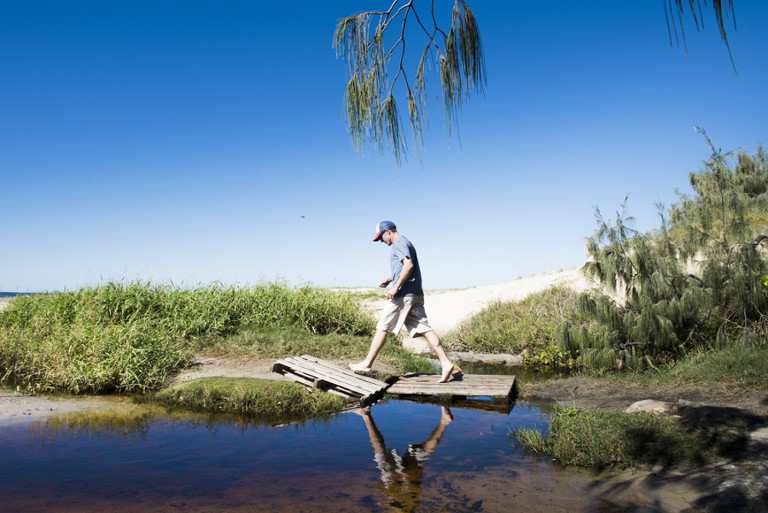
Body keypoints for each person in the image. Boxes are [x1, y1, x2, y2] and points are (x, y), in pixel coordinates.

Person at [349, 221, 457, 383]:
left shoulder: (398, 243)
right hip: (415, 293)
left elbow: (408, 265)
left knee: (382, 326)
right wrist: (391, 278)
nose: (381, 241)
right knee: (425, 329)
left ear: (388, 232)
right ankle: (446, 363)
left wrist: (395, 287)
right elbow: (406, 268)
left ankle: (366, 364)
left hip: (404, 295)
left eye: (381, 237)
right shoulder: (406, 242)